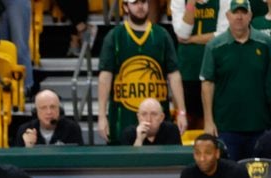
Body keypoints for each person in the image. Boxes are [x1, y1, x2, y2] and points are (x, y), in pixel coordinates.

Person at [97, 0, 187, 145]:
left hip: (159, 124)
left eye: (143, 2)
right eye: (135, 3)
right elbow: (105, 77)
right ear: (125, 7)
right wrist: (101, 116)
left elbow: (174, 75)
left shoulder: (162, 35)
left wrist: (181, 112)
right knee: (123, 163)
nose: (140, 6)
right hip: (123, 118)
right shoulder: (115, 36)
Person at [200, 0, 271, 161]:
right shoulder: (214, 46)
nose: (239, 17)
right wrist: (209, 121)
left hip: (260, 126)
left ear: (250, 16)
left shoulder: (266, 43)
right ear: (228, 15)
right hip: (226, 127)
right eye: (235, 12)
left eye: (243, 12)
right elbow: (207, 83)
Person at [171, 0, 225, 130]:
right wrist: (191, 3)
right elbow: (182, 33)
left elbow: (223, 34)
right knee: (188, 123)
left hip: (215, 71)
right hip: (187, 70)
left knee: (211, 122)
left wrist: (191, 39)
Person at [13, 89, 82, 147]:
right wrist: (29, 147)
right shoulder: (25, 130)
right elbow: (18, 161)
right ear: (35, 111)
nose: (49, 112)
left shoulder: (72, 128)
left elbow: (79, 159)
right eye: (43, 108)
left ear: (60, 110)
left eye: (53, 107)